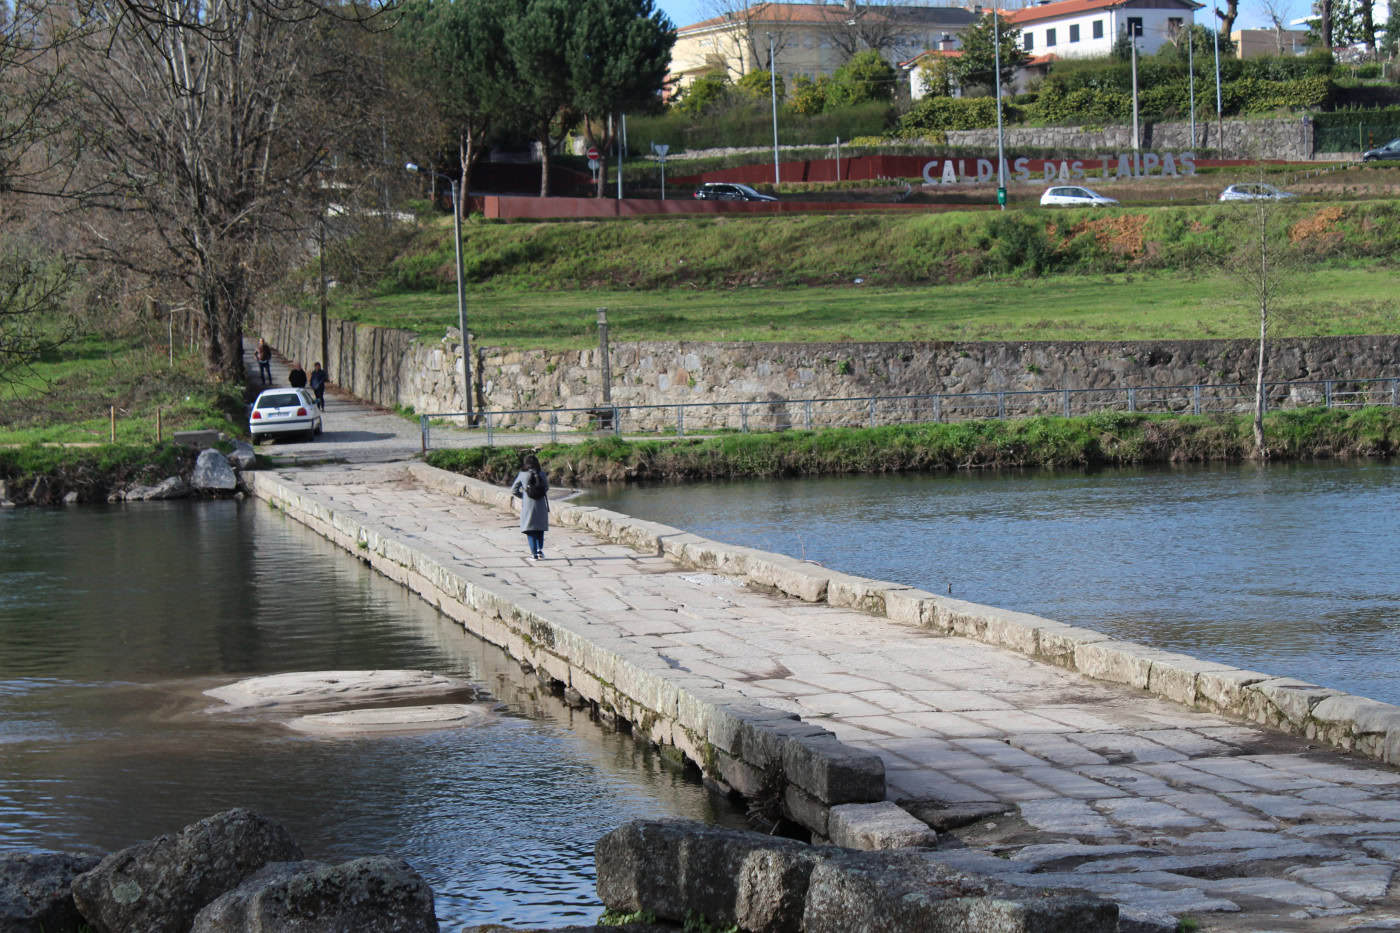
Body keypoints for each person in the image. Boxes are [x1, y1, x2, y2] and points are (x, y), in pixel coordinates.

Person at [509, 453, 550, 560]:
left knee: (530, 530)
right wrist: (539, 493)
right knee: (540, 529)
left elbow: (513, 490)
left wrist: (524, 496)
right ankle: (539, 551)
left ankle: (534, 555)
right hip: (541, 506)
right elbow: (546, 487)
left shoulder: (522, 474)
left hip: (528, 507)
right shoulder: (542, 474)